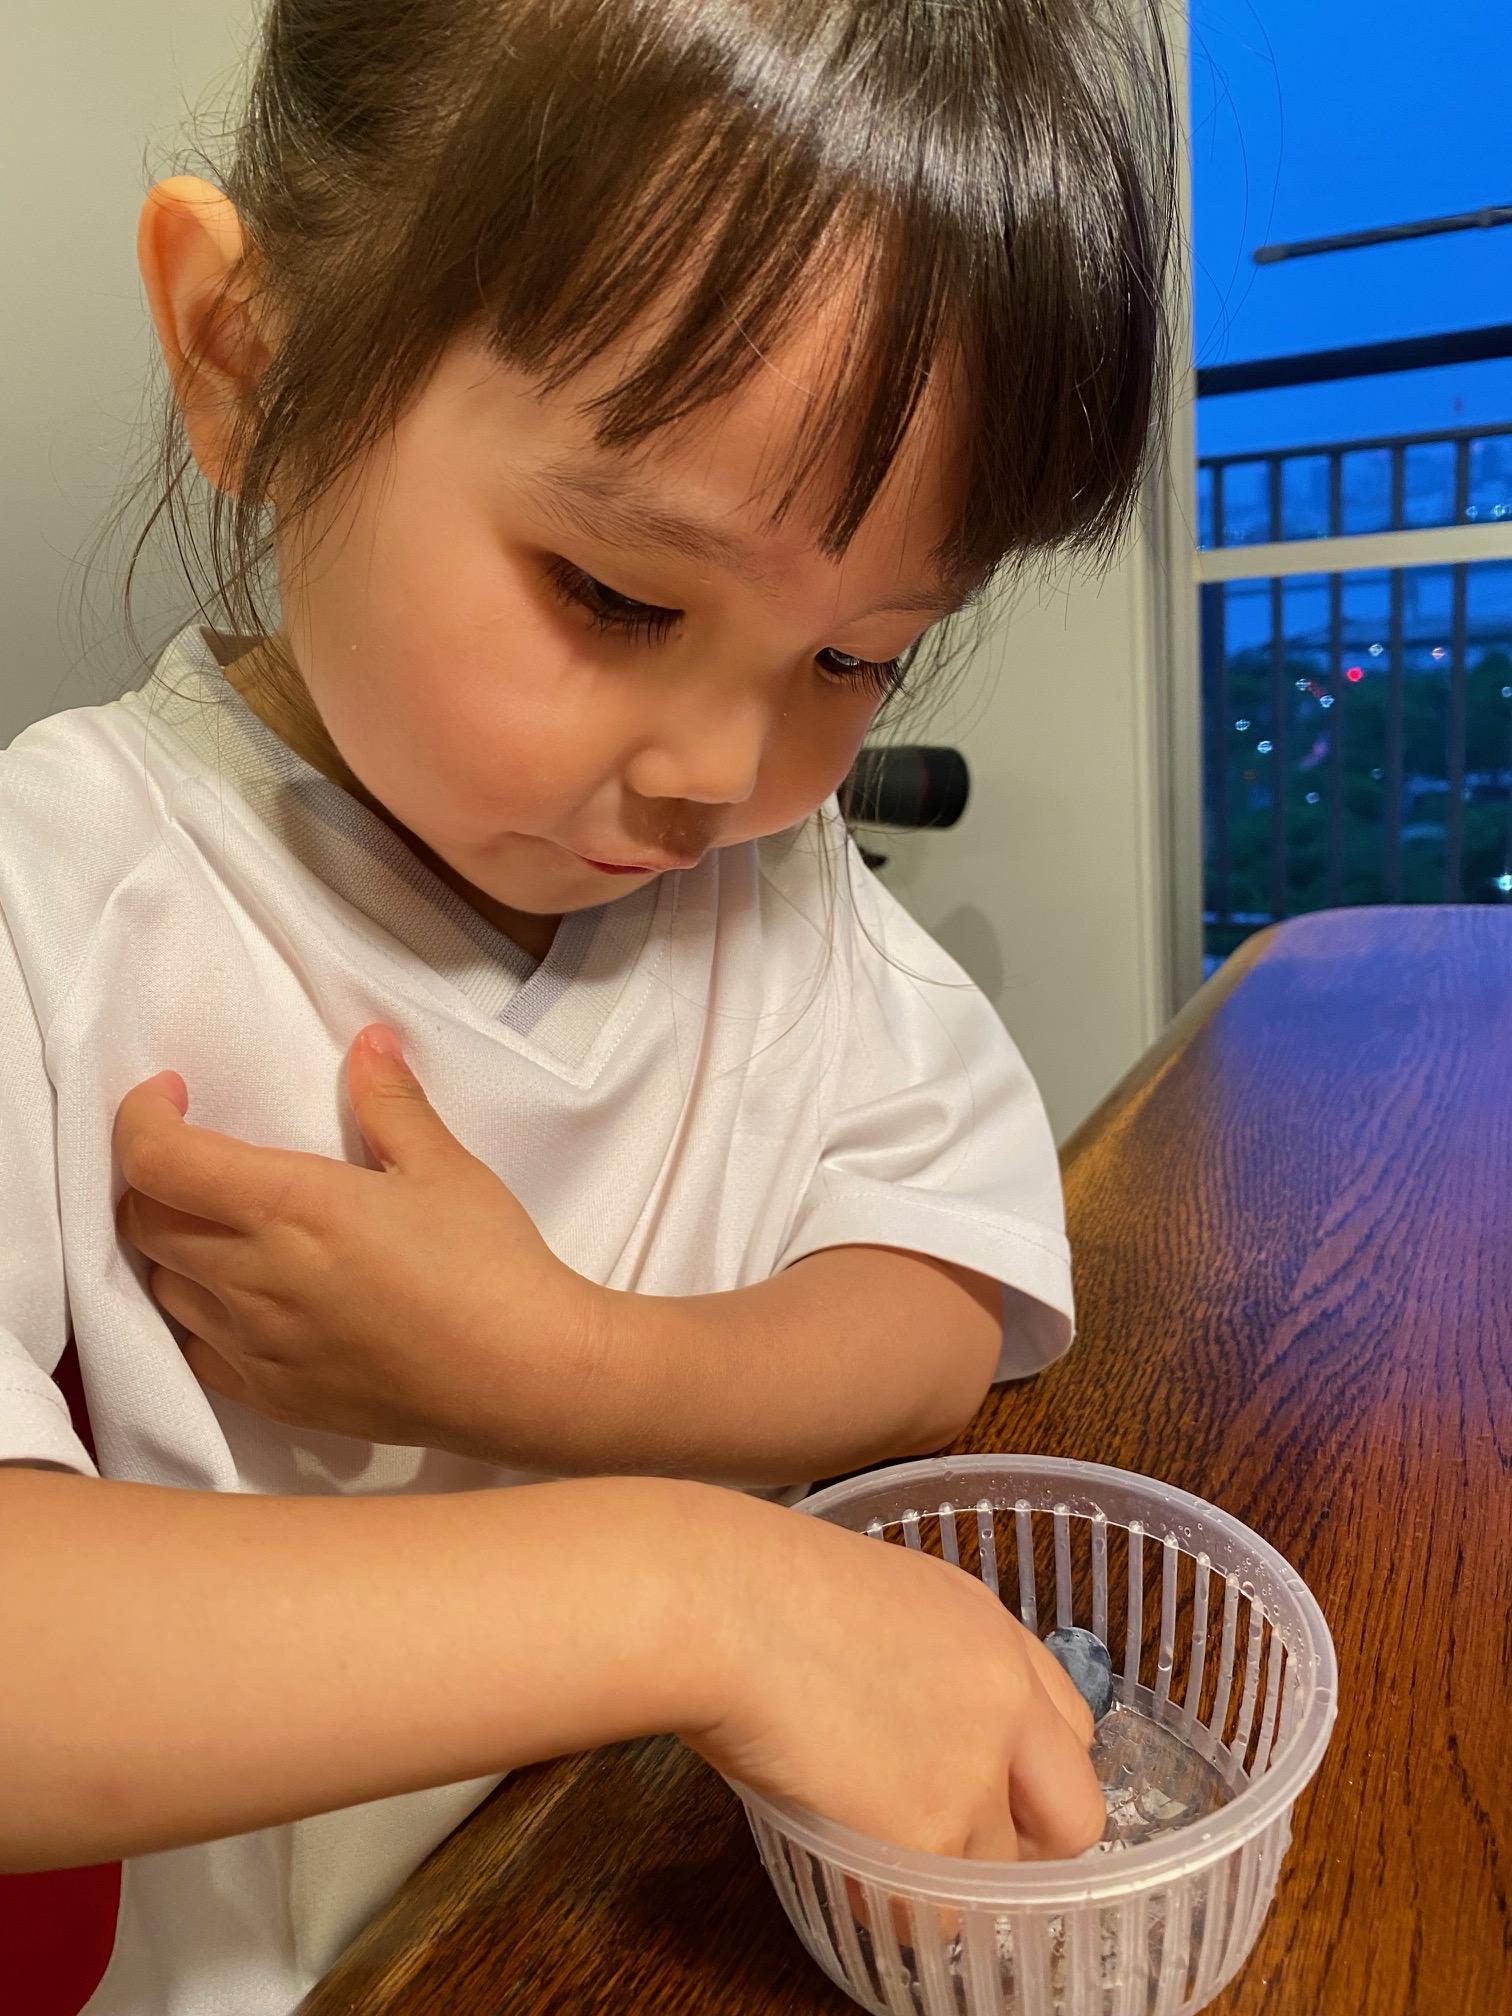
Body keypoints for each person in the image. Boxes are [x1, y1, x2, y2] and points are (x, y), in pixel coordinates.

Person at [0, 1, 1175, 2009]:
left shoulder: (777, 896)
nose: (723, 770)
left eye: (859, 659)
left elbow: (941, 1300)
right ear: (245, 358)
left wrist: (553, 1365)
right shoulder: (66, 896)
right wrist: (700, 1599)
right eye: (619, 597)